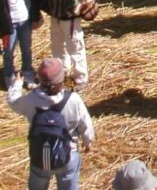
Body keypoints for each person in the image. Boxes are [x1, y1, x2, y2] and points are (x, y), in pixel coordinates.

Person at [6, 57, 94, 190]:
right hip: (68, 155)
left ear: (40, 78)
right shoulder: (73, 99)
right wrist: (88, 142)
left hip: (40, 156)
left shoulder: (31, 99)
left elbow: (13, 102)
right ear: (61, 79)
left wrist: (17, 84)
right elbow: (85, 123)